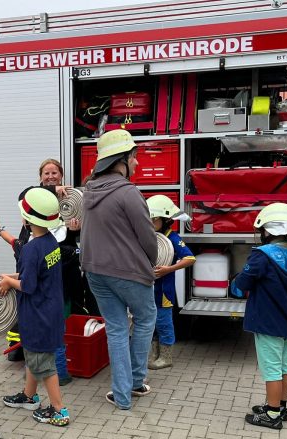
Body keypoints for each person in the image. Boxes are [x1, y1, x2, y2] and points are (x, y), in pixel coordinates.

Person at [0, 158, 83, 385]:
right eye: (46, 173)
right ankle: (38, 378)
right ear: (40, 177)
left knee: (44, 336)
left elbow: (31, 280)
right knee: (46, 335)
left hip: (48, 292)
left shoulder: (44, 243)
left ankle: (51, 377)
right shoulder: (44, 238)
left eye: (55, 173)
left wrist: (11, 281)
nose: (51, 176)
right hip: (45, 292)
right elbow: (15, 242)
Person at [80, 129, 157, 410]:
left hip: (95, 272)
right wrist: (152, 262)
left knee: (115, 328)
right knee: (146, 318)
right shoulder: (128, 193)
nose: (137, 164)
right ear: (121, 160)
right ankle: (136, 382)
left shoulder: (89, 190)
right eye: (134, 158)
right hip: (129, 272)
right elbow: (148, 237)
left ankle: (122, 396)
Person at [0, 187, 70, 427]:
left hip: (37, 315)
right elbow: (37, 275)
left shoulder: (30, 249)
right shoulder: (50, 242)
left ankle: (59, 410)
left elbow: (27, 285)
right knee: (34, 356)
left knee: (45, 365)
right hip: (50, 312)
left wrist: (9, 281)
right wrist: (11, 276)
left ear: (27, 219)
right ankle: (29, 397)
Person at [234, 203, 287, 430]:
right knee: (284, 366)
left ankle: (272, 414)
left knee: (272, 370)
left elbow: (241, 285)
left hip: (267, 322)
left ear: (267, 231)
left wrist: (236, 282)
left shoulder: (262, 256)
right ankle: (280, 407)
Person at [145, 195, 196, 370]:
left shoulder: (172, 238)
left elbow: (190, 258)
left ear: (166, 219)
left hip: (164, 290)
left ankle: (166, 357)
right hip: (147, 288)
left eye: (153, 219)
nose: (150, 222)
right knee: (150, 323)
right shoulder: (148, 236)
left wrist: (169, 269)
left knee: (163, 322)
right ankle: (154, 354)